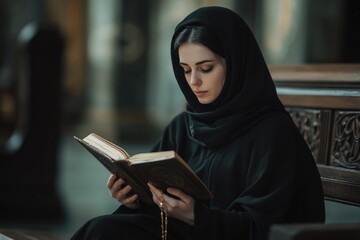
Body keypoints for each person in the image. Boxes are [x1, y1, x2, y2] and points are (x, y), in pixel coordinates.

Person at [71, 6, 325, 240]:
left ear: (234, 64)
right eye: (185, 69)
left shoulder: (272, 132)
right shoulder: (185, 125)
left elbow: (266, 228)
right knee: (101, 230)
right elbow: (156, 196)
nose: (194, 82)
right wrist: (133, 196)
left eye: (206, 68)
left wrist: (196, 215)